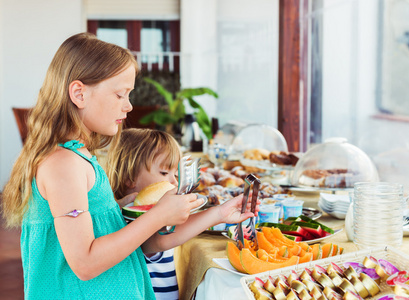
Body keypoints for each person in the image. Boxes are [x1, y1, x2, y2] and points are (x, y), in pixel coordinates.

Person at [1, 32, 258, 299]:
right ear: (79, 93)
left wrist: (219, 214)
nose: (129, 106)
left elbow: (147, 242)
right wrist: (158, 216)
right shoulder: (63, 165)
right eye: (120, 94)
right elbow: (85, 263)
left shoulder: (80, 158)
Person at [107, 128, 185, 299]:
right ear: (130, 177)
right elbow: (163, 240)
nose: (174, 181)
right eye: (164, 173)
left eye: (176, 174)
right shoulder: (130, 220)